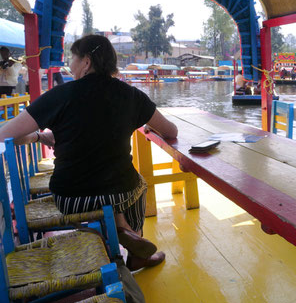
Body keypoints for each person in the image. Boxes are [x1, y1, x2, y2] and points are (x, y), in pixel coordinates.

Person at [0, 35, 178, 271]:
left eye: (72, 57)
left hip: (70, 198)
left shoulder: (59, 95)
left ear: (86, 62)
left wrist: (40, 136)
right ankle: (130, 237)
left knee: (108, 186)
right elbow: (171, 130)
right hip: (119, 193)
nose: (69, 64)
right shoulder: (132, 95)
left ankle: (114, 231)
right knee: (137, 184)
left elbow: (6, 134)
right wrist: (146, 124)